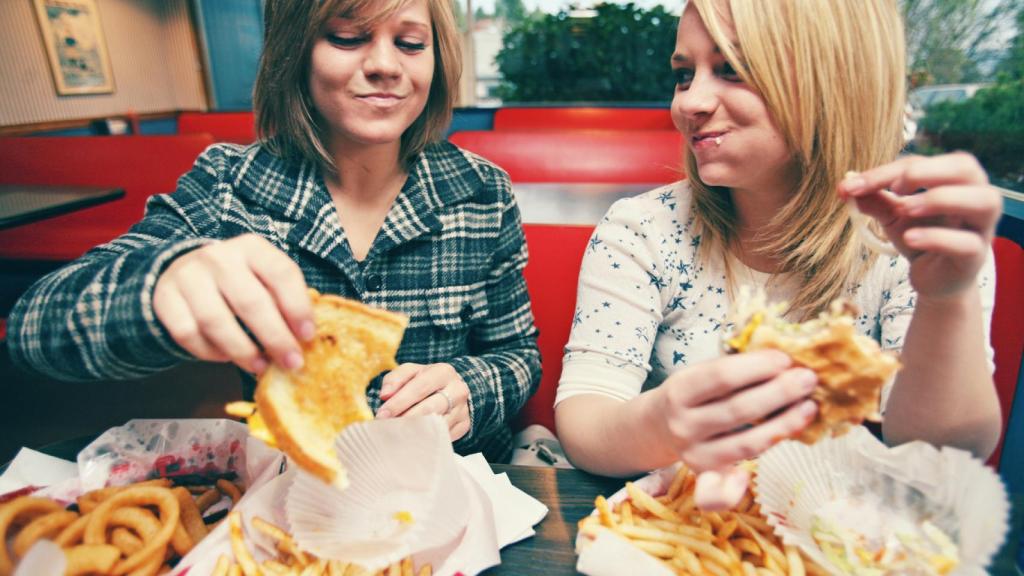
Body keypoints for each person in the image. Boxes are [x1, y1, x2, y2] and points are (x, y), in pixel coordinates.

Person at [7, 0, 540, 463]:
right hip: (292, 489)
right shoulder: (227, 185)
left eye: (410, 43)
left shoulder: (482, 192)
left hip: (457, 484)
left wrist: (470, 390)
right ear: (297, 51)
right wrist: (161, 285)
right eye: (348, 37)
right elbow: (37, 330)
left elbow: (518, 354)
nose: (384, 65)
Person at [554, 0, 1002, 507]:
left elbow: (943, 453)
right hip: (689, 528)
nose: (689, 103)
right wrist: (661, 423)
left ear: (835, 83)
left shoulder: (917, 242)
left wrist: (947, 299)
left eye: (733, 69)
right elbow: (585, 421)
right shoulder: (642, 230)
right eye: (684, 75)